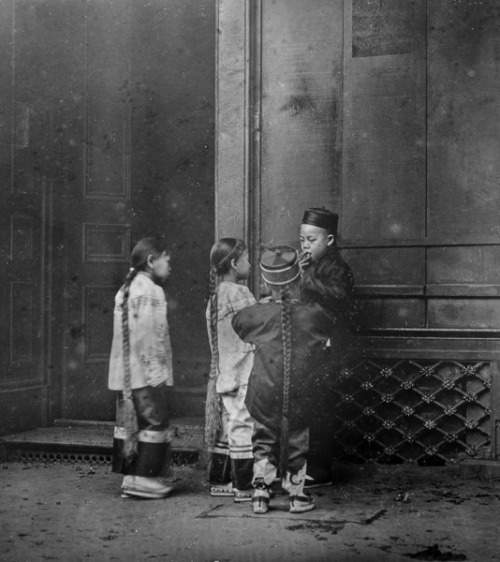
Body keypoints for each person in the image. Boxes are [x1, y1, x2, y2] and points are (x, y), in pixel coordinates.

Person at [232, 246, 337, 514]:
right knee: (298, 437)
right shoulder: (313, 314)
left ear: (267, 283)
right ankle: (296, 495)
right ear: (298, 280)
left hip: (264, 390)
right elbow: (328, 322)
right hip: (300, 390)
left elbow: (238, 323)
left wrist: (264, 305)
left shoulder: (257, 314)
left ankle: (260, 494)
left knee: (263, 436)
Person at [108, 237, 174, 499]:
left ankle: (132, 477)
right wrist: (158, 373)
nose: (169, 266)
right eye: (166, 260)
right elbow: (151, 336)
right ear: (151, 261)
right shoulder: (151, 291)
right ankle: (144, 478)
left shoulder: (127, 288)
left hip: (126, 374)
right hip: (145, 372)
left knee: (132, 422)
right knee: (153, 422)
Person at [299, 207, 355, 488]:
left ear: (329, 240)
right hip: (311, 346)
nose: (305, 246)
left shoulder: (338, 267)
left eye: (311, 240)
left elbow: (340, 295)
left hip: (329, 349)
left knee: (319, 408)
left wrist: (305, 278)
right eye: (302, 241)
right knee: (309, 405)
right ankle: (308, 465)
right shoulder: (310, 266)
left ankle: (319, 470)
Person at [205, 238, 256, 502]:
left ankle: (219, 479)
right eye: (246, 259)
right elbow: (257, 328)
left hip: (225, 373)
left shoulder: (214, 298)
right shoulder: (240, 294)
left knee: (228, 424)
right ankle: (243, 486)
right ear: (235, 264)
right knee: (242, 425)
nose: (249, 263)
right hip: (243, 373)